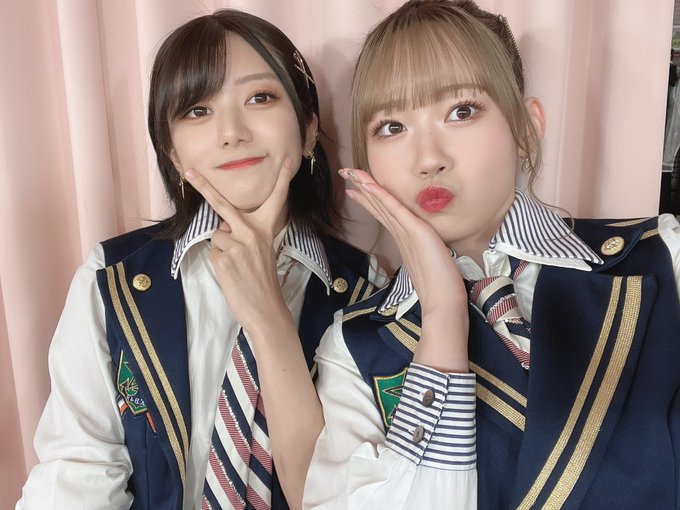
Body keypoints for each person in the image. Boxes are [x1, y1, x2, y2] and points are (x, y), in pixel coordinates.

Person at [302, 1, 680, 509]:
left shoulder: (663, 257)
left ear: (525, 127)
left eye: (461, 111)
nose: (428, 158)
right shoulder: (354, 347)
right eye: (391, 127)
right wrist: (442, 314)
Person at [17, 9, 385, 510]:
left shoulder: (369, 291)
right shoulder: (113, 278)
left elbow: (358, 486)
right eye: (197, 110)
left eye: (260, 97)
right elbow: (76, 472)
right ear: (171, 151)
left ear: (307, 128)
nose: (231, 131)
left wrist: (267, 313)